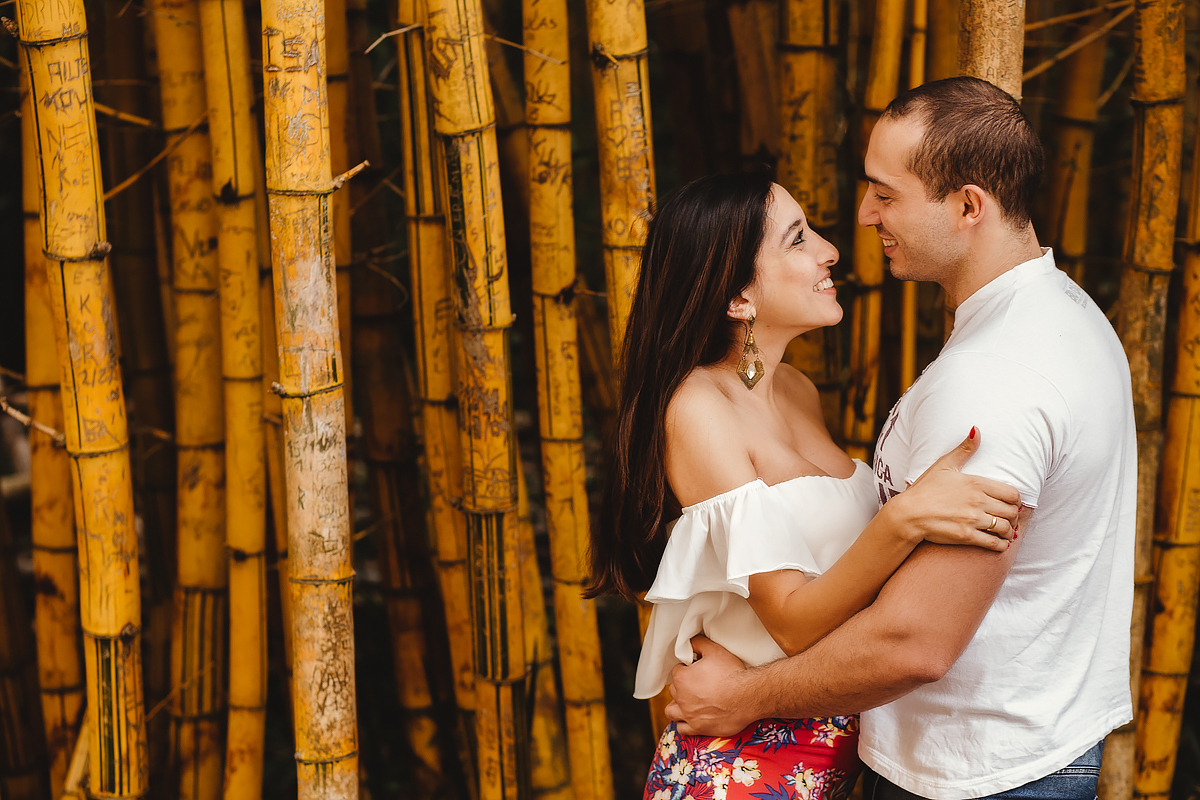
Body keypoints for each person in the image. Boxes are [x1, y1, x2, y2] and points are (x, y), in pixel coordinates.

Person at [664, 77, 1136, 800]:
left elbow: (915, 640)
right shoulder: (1063, 311)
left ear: (968, 205)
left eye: (885, 194)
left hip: (976, 773)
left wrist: (745, 697)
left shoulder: (996, 379)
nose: (858, 220)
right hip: (965, 749)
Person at [587, 169, 1023, 800]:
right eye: (797, 239)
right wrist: (904, 520)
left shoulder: (796, 391)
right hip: (746, 766)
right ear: (738, 297)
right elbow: (791, 621)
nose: (830, 250)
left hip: (842, 747)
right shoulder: (695, 408)